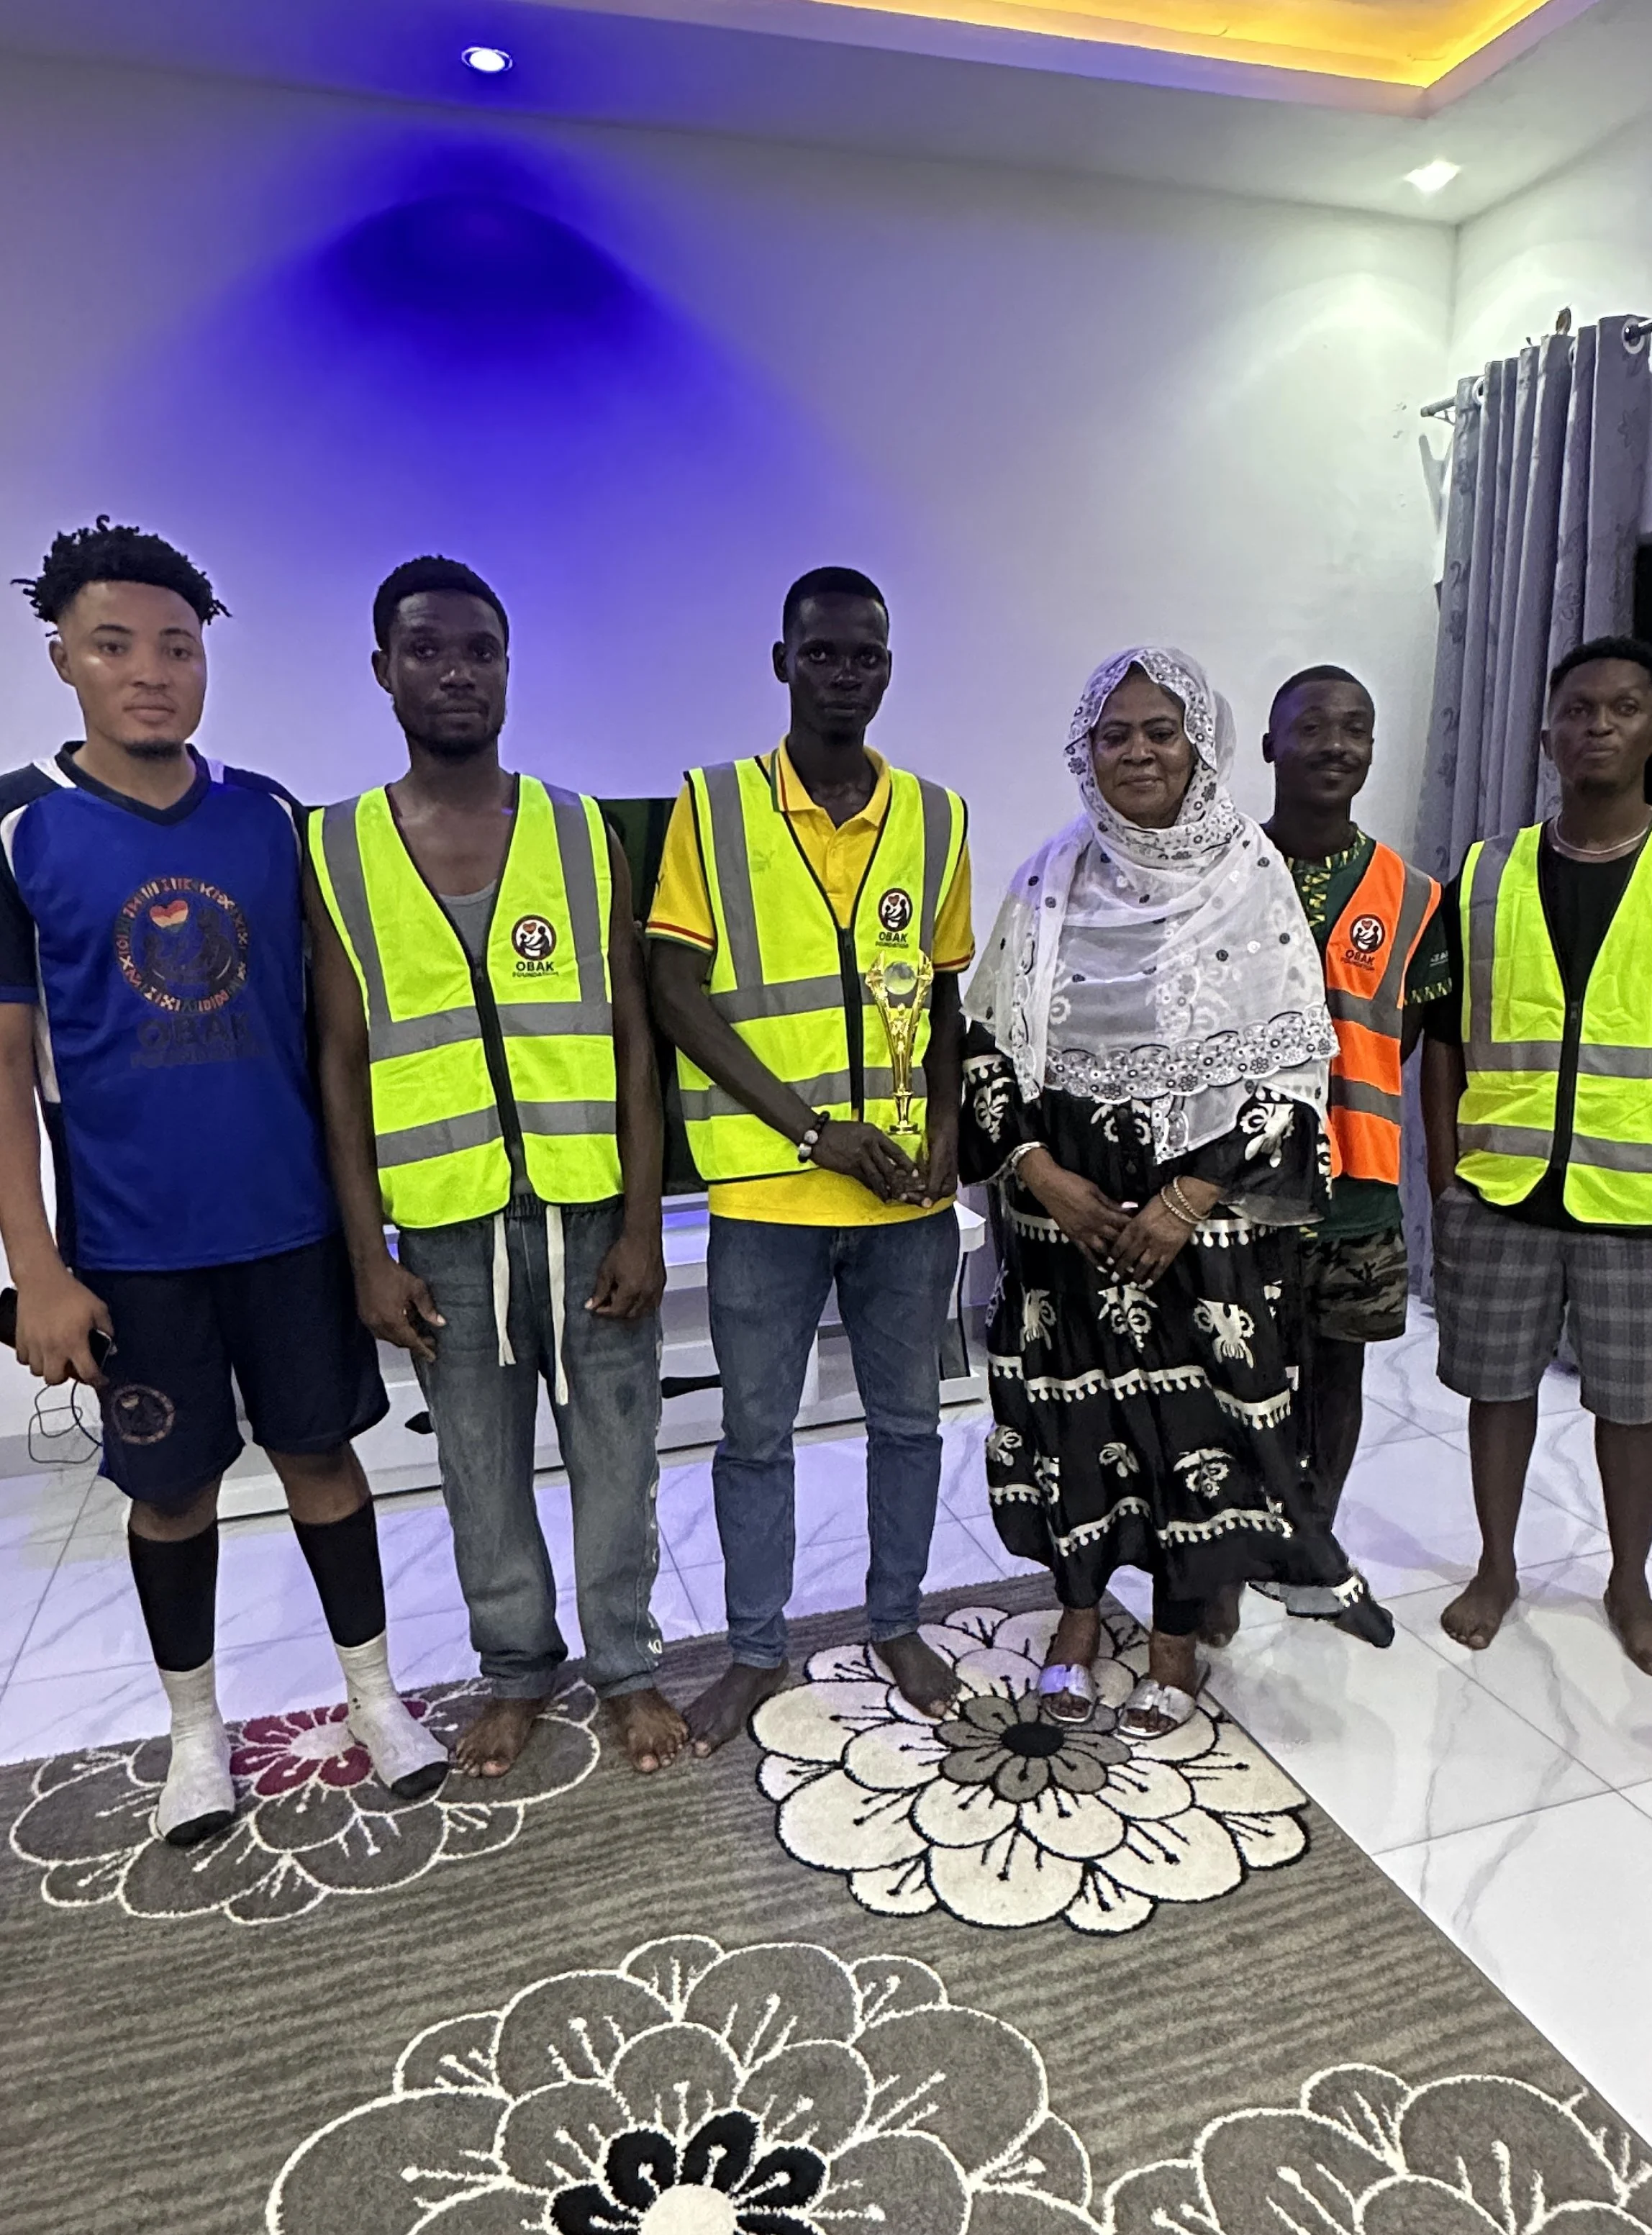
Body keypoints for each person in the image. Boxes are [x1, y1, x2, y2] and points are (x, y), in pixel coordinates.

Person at [0, 520, 445, 1843]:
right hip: (134, 1245)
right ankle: (197, 1736)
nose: (152, 671)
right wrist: (35, 1264)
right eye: (116, 645)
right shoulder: (20, 827)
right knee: (172, 1489)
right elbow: (8, 1063)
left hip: (291, 1223)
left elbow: (333, 1033)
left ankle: (374, 1699)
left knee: (325, 1458)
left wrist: (367, 1233)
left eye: (178, 647)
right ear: (62, 657)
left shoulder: (269, 817)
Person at [962, 645, 1394, 1741]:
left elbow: (1295, 1067)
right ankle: (1073, 1614)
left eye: (1162, 731)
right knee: (1077, 1414)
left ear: (1198, 743)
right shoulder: (1046, 878)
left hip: (1201, 1224)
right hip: (1064, 1218)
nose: (1139, 752)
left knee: (1184, 1424)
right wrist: (1041, 1175)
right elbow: (985, 1051)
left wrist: (1191, 1195)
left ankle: (1169, 1634)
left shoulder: (1249, 880)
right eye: (1116, 734)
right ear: (1085, 751)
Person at [307, 556, 685, 1777]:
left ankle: (627, 1665)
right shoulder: (339, 848)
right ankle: (518, 1670)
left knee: (617, 1459)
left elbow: (636, 1034)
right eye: (427, 650)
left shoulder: (581, 830)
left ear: (509, 667)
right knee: (478, 1468)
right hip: (446, 1229)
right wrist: (368, 1252)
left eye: (479, 650)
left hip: (587, 1215)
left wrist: (644, 1217)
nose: (455, 672)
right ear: (384, 671)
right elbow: (341, 1056)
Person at [648, 566, 975, 1754]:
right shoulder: (716, 804)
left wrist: (945, 1125)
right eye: (824, 653)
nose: (847, 674)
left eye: (868, 656)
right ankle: (752, 1647)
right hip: (768, 1191)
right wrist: (809, 1128)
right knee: (755, 1433)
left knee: (909, 1421)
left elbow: (944, 1001)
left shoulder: (938, 817)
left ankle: (896, 1620)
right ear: (782, 661)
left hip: (906, 1198)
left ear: (890, 666)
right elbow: (676, 991)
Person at [1422, 635, 1652, 1674]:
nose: (1598, 726)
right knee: (1496, 1392)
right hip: (1502, 1191)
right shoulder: (1486, 873)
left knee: (1634, 1406)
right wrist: (1446, 1174)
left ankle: (1629, 1581)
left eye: (1624, 708)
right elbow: (1443, 1035)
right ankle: (1495, 1565)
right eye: (1578, 710)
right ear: (1547, 734)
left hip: (1646, 1196)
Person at [1261, 665, 1448, 1567]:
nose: (1335, 745)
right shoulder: (1227, 876)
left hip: (1358, 1184)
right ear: (1270, 748)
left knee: (1338, 1370)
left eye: (1356, 729)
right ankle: (1230, 1553)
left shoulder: (1413, 896)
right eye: (1312, 727)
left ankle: (1312, 1540)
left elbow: (1409, 1032)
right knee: (1238, 1374)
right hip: (1234, 1185)